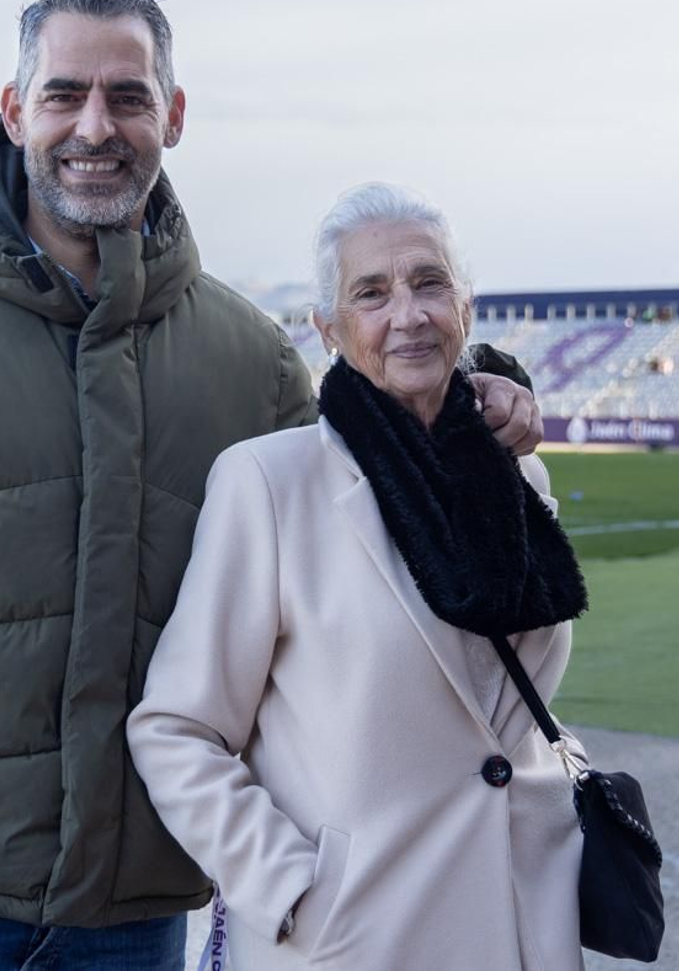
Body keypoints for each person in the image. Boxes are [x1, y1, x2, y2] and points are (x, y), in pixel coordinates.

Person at [0, 0, 543, 971]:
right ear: (15, 111)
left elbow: (376, 474)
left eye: (129, 97)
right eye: (64, 95)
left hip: (133, 910)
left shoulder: (246, 354)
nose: (94, 127)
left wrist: (488, 389)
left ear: (173, 116)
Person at [128, 183, 591, 970]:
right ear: (329, 328)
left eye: (429, 283)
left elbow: (500, 722)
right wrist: (290, 887)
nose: (406, 313)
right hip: (358, 938)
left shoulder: (518, 477)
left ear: (465, 307)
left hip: (521, 924)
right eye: (371, 293)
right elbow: (176, 729)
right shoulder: (270, 484)